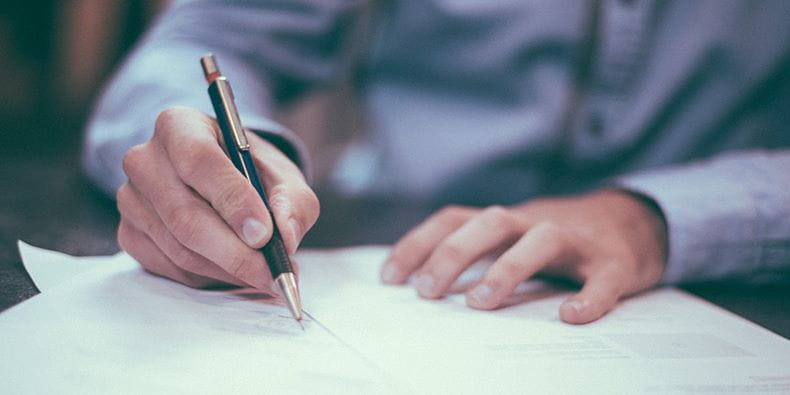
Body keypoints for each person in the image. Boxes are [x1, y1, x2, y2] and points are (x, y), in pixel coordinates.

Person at [83, 0, 790, 325]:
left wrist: (658, 217)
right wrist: (198, 157)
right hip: (394, 254)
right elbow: (205, 37)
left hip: (721, 280)